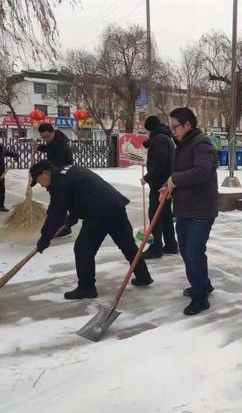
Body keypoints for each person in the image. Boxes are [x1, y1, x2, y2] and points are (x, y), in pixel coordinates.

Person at [30, 160, 153, 300]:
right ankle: (143, 276)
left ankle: (86, 288)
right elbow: (81, 193)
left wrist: (45, 239)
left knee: (83, 249)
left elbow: (55, 214)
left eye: (39, 181)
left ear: (45, 173)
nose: (41, 185)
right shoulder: (67, 170)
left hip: (98, 212)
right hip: (114, 205)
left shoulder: (58, 182)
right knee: (127, 245)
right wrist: (73, 217)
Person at [165, 107, 218, 316]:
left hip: (200, 209)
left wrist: (175, 180)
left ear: (187, 125)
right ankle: (203, 284)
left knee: (193, 253)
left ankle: (200, 298)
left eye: (174, 127)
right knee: (188, 252)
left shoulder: (201, 144)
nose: (173, 131)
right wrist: (168, 186)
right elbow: (179, 173)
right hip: (185, 207)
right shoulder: (183, 145)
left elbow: (202, 172)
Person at [141, 115, 178, 259]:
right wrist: (148, 144)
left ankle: (156, 248)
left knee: (155, 216)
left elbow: (160, 163)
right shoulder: (164, 137)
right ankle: (170, 245)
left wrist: (147, 177)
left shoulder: (160, 140)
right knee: (166, 215)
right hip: (165, 183)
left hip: (159, 185)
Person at [35, 123, 74, 237]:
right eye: (43, 138)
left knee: (59, 203)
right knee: (59, 203)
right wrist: (38, 146)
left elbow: (55, 163)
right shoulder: (54, 141)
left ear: (52, 132)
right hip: (57, 175)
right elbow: (49, 150)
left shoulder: (61, 145)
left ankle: (65, 230)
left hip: (62, 176)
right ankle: (62, 228)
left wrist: (41, 170)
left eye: (47, 137)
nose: (45, 139)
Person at [0, 143, 19, 212]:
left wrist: (16, 158)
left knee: (1, 190)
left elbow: (14, 154)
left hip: (1, 176)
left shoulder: (2, 150)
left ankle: (1, 206)